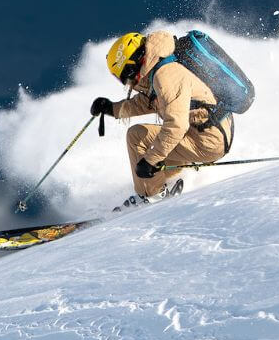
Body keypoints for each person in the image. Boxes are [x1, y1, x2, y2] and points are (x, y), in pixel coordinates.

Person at [90, 31, 234, 211]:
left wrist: (150, 160)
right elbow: (148, 103)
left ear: (132, 65)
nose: (127, 83)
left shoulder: (166, 75)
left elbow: (176, 126)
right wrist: (112, 109)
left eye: (125, 76)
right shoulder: (160, 70)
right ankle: (160, 187)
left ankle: (154, 197)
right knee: (151, 163)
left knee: (137, 136)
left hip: (206, 139)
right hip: (204, 132)